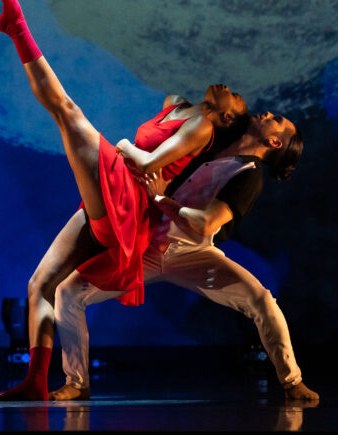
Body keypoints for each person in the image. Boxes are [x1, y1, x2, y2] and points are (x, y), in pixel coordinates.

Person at [0, 0, 248, 401]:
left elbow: (146, 165)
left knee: (66, 111)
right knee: (40, 284)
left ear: (226, 119)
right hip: (116, 200)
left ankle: (17, 26)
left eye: (236, 100)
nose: (229, 89)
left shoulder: (204, 125)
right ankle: (36, 380)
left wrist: (126, 147)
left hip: (127, 199)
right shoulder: (178, 104)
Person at [51, 112, 320, 402]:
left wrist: (160, 199)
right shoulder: (213, 143)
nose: (268, 114)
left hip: (195, 255)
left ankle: (293, 382)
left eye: (277, 119)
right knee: (68, 292)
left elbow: (206, 223)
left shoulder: (249, 175)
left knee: (262, 301)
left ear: (274, 142)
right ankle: (77, 383)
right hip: (149, 247)